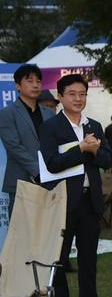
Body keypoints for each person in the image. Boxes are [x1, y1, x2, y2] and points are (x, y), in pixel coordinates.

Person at [40, 74, 112, 297]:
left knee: (89, 258)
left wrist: (94, 151)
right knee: (59, 259)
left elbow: (107, 160)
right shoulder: (51, 127)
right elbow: (52, 164)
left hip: (89, 200)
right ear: (60, 96)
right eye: (72, 94)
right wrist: (80, 150)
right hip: (62, 201)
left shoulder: (94, 126)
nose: (78, 99)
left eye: (82, 94)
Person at [0, 64, 54, 215]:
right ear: (18, 86)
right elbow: (14, 147)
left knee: (47, 231)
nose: (35, 85)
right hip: (21, 181)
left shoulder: (50, 114)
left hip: (50, 181)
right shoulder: (6, 113)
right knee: (21, 233)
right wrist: (38, 172)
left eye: (38, 81)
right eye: (30, 81)